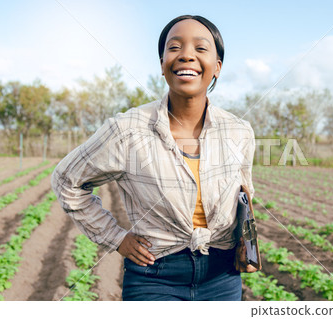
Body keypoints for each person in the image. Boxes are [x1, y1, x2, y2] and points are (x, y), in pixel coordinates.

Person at [51, 14, 257, 301]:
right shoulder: (126, 130)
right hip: (154, 277)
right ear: (162, 65)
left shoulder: (239, 132)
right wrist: (117, 238)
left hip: (222, 279)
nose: (186, 55)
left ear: (217, 67)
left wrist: (246, 244)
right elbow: (66, 180)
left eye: (200, 48)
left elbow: (244, 197)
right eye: (174, 48)